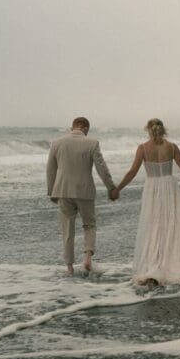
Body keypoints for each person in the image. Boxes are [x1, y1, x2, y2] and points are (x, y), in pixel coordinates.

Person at [113, 118, 180, 287]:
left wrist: (118, 188)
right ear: (163, 129)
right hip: (169, 187)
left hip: (152, 188)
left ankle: (154, 263)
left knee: (154, 225)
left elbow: (132, 172)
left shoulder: (143, 148)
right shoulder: (171, 147)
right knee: (174, 222)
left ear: (148, 130)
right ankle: (173, 260)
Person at [46, 116, 117, 276]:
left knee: (67, 229)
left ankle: (70, 268)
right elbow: (102, 169)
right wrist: (111, 187)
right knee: (89, 225)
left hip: (63, 191)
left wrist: (52, 191)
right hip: (85, 191)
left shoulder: (57, 143)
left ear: (73, 127)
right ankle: (87, 259)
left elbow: (50, 169)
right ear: (85, 127)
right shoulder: (92, 143)